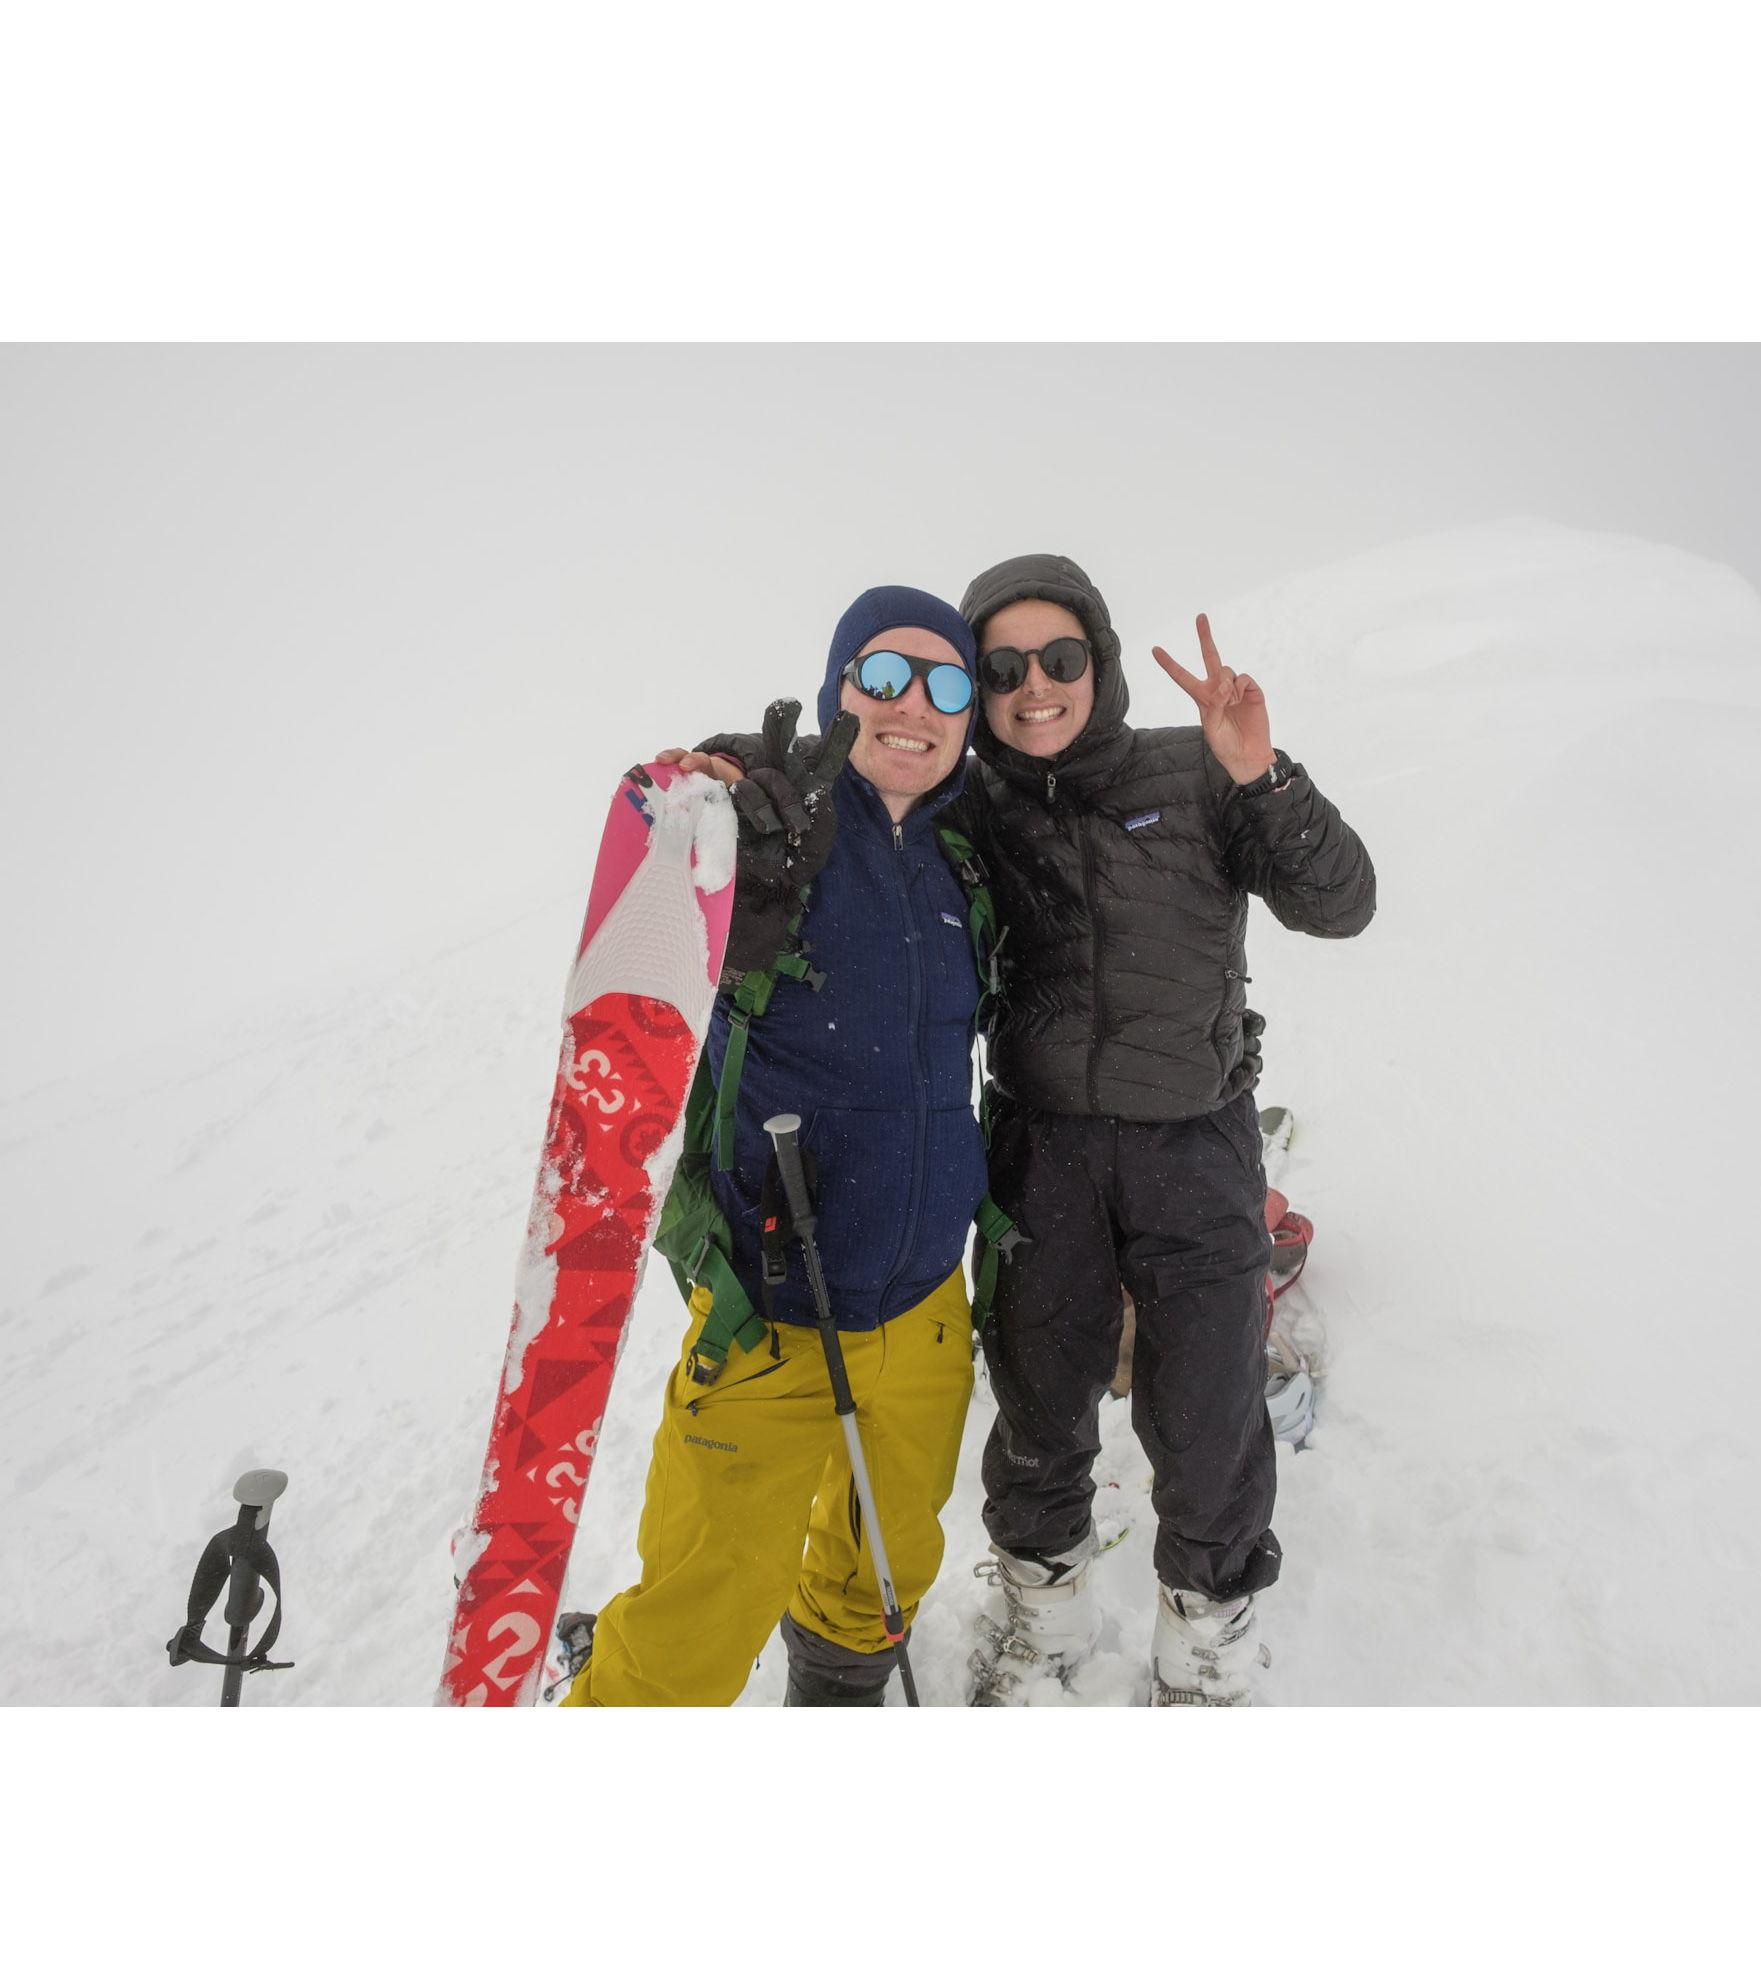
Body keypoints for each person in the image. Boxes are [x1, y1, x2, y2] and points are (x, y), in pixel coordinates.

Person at [951, 553, 1374, 1706]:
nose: (1033, 684)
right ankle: (1043, 1618)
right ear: (977, 689)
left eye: (1058, 657)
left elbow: (1341, 904)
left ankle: (1205, 1640)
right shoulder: (972, 803)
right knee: (1036, 1403)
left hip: (1192, 1144)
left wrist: (1265, 776)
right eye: (1001, 666)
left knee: (1206, 1415)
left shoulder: (1193, 773)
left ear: (1098, 660)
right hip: (1040, 1153)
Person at [566, 585, 989, 1707]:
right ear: (836, 689)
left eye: (946, 683)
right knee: (694, 1611)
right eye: (882, 674)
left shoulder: (965, 862)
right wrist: (708, 815)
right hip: (769, 1312)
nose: (914, 704)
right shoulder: (783, 827)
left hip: (922, 1313)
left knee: (881, 1563)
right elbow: (686, 876)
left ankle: (837, 1689)